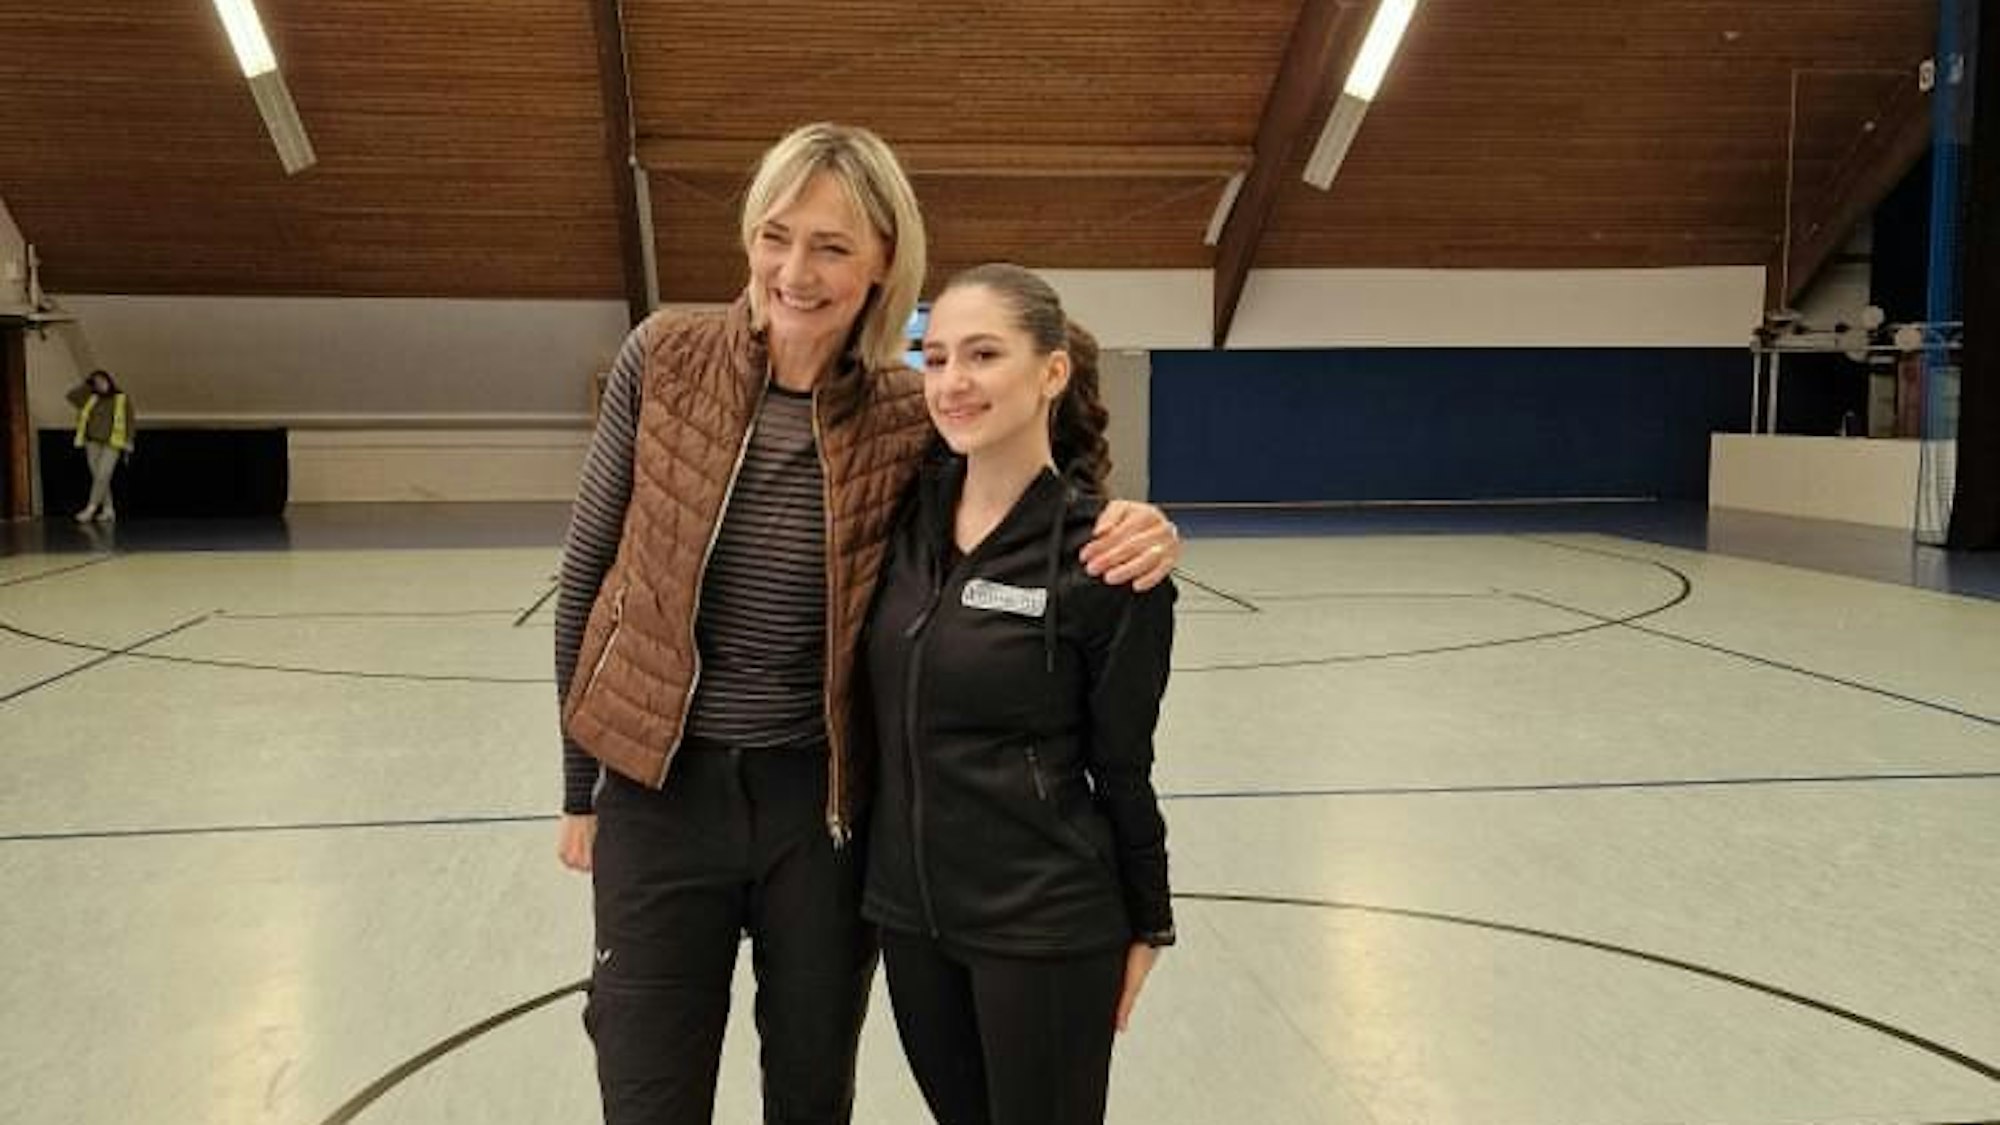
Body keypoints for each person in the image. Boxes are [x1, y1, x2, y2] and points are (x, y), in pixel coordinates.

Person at [552, 124, 1181, 1125]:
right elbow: (588, 571)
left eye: (832, 246)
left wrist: (1129, 522)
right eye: (775, 236)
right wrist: (578, 784)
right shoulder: (662, 355)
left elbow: (1013, 477)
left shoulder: (902, 411)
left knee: (811, 1092)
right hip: (658, 796)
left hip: (823, 809)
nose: (794, 272)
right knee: (646, 1092)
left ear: (885, 260)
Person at [861, 263, 1177, 1125]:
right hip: (910, 917)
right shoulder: (898, 521)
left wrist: (1149, 919)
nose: (952, 382)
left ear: (1051, 371)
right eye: (935, 358)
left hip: (1044, 923)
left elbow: (1124, 766)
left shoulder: (1106, 559)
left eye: (984, 354)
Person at [66, 369, 135, 522]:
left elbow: (130, 421)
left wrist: (129, 442)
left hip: (113, 442)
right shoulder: (90, 398)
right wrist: (86, 384)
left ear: (109, 381)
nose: (101, 384)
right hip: (92, 442)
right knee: (99, 477)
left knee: (103, 474)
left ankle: (90, 509)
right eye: (96, 382)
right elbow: (71, 397)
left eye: (103, 381)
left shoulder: (121, 398)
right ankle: (109, 509)